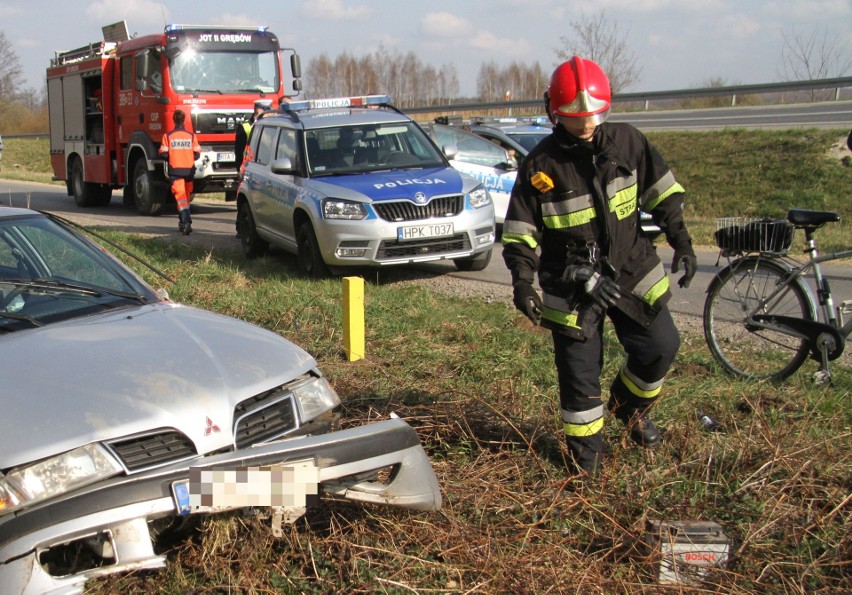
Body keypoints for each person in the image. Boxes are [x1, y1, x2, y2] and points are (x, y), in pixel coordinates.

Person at [502, 56, 697, 478]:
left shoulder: (628, 144)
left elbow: (663, 194)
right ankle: (585, 466)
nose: (586, 124)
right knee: (580, 383)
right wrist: (523, 283)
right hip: (570, 287)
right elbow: (520, 234)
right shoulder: (539, 167)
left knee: (660, 347)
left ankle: (631, 411)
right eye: (575, 117)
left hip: (632, 271)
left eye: (593, 115)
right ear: (555, 112)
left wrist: (681, 240)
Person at [159, 110, 201, 235]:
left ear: (174, 120)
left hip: (175, 170)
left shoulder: (168, 136)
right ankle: (184, 223)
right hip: (189, 170)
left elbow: (163, 154)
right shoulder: (191, 136)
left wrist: (173, 156)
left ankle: (186, 221)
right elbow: (197, 154)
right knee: (185, 197)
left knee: (181, 198)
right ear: (184, 120)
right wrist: (187, 156)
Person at [235, 99, 273, 173]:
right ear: (258, 110)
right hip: (249, 167)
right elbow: (239, 152)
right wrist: (239, 170)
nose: (270, 114)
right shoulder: (244, 126)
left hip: (265, 166)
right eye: (267, 110)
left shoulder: (270, 125)